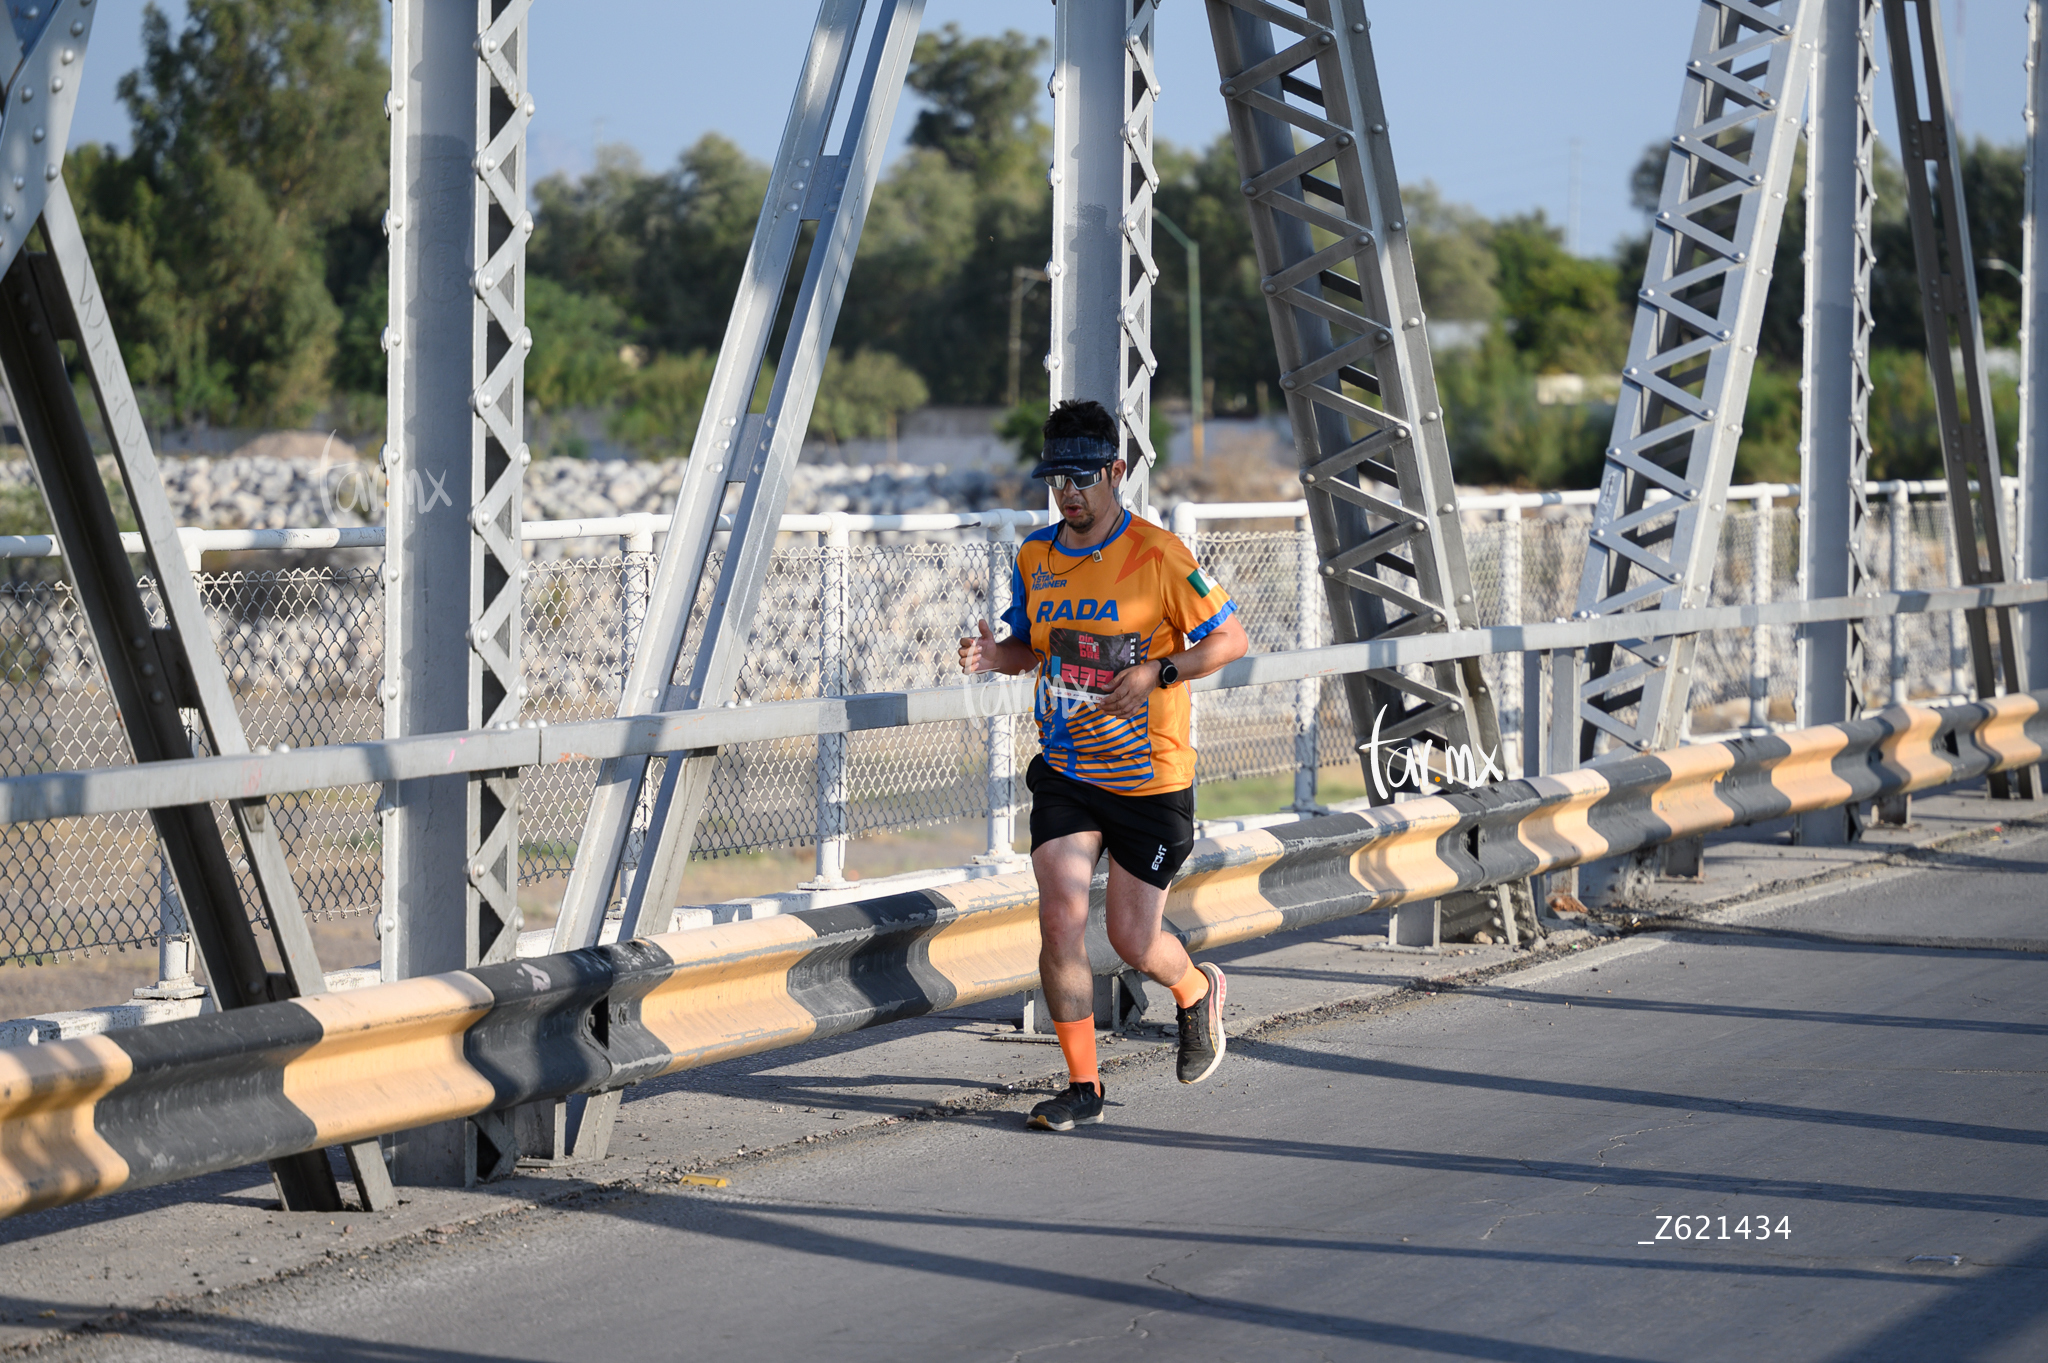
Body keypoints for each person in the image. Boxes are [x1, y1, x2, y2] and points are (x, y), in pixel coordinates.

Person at [957, 398, 1250, 1132]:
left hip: (1150, 780)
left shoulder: (1160, 554)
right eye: (1056, 479)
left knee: (1132, 940)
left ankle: (1195, 992)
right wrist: (995, 655)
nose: (1067, 494)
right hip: (1067, 769)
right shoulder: (1036, 556)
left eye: (1082, 478)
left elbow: (1230, 641)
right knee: (1059, 913)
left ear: (1116, 471)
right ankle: (1082, 1085)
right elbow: (1031, 648)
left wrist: (1159, 672)